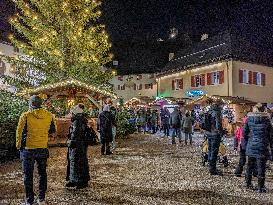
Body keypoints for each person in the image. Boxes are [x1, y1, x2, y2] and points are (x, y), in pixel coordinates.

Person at [16, 95, 57, 205]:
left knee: (27, 175)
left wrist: (18, 146)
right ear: (40, 104)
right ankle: (41, 199)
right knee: (42, 174)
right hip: (42, 148)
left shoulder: (25, 115)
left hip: (28, 150)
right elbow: (53, 133)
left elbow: (19, 133)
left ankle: (30, 200)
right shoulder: (49, 115)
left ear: (30, 104)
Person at [243, 103, 273, 193]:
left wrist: (249, 140)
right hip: (262, 147)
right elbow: (271, 137)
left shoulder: (249, 119)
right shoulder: (267, 120)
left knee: (249, 166)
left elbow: (244, 134)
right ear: (263, 110)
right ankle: (260, 187)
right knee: (261, 167)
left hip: (251, 146)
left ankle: (248, 184)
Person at [66, 104, 90, 189]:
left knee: (77, 162)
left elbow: (76, 134)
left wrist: (70, 141)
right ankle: (74, 180)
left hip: (77, 145)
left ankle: (80, 181)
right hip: (80, 144)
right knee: (76, 162)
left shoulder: (77, 121)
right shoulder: (81, 120)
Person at [201, 100, 223, 175]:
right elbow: (218, 125)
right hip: (215, 134)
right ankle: (212, 169)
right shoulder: (217, 112)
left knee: (210, 150)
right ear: (219, 105)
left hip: (208, 133)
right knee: (214, 151)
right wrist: (221, 132)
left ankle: (210, 167)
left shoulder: (209, 111)